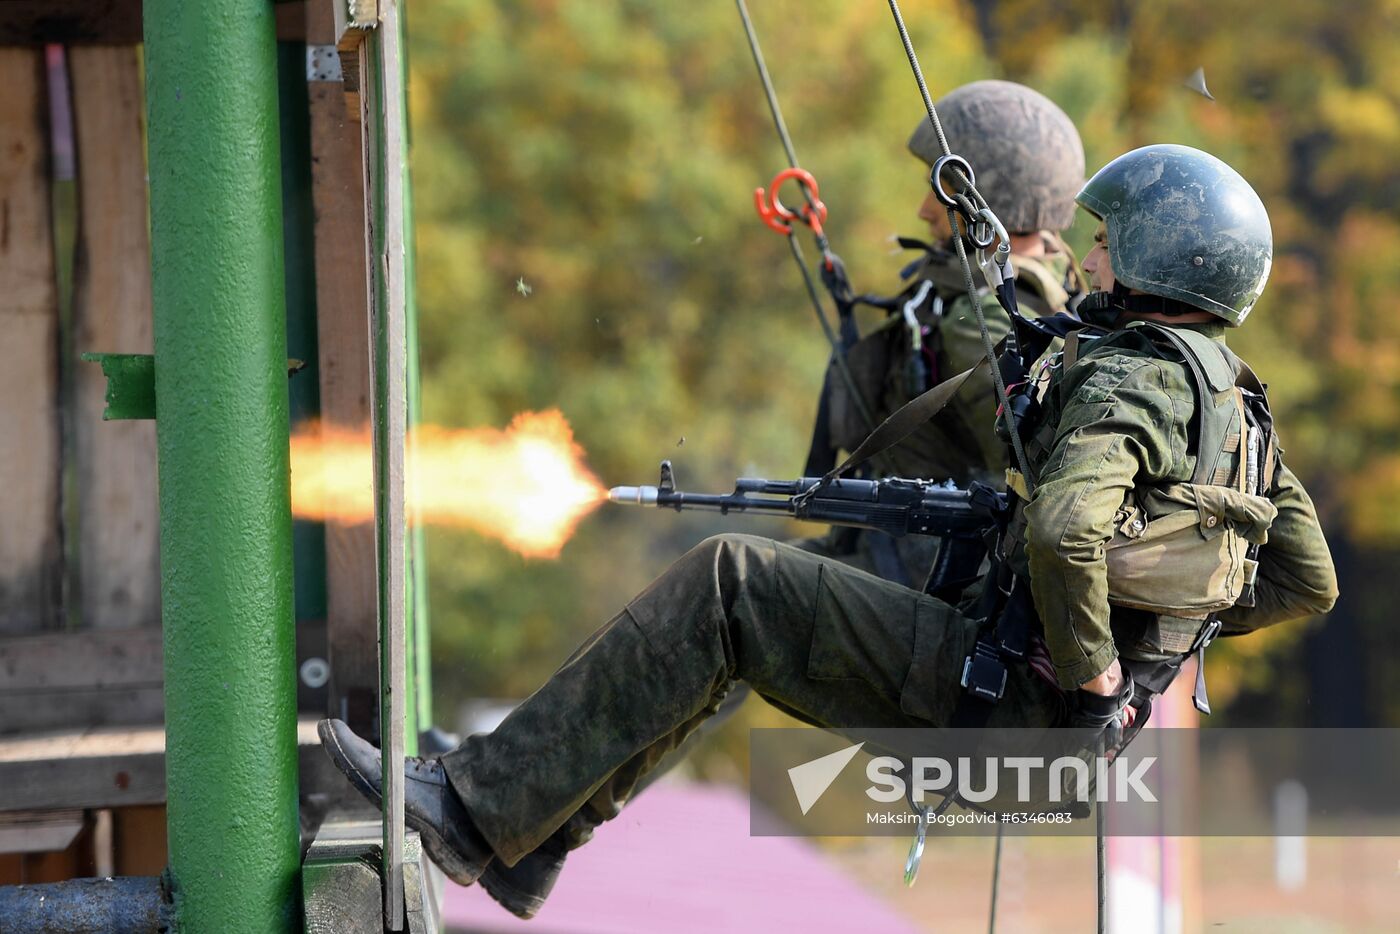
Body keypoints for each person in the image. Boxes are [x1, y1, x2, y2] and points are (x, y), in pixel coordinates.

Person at [320, 144, 1338, 918]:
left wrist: (1090, 672)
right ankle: (527, 832)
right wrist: (1141, 637)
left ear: (1156, 255)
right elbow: (1301, 580)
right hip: (1057, 733)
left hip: (1013, 711)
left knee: (727, 584)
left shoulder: (1124, 372)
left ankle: (473, 810)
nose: (1090, 251)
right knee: (743, 623)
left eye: (1109, 237)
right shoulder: (1240, 406)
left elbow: (1067, 531)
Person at [800, 79, 1086, 588]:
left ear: (986, 200)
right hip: (892, 553)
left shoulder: (987, 318)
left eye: (942, 194)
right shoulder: (1024, 298)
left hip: (933, 583)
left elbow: (1026, 484)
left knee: (731, 580)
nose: (924, 211)